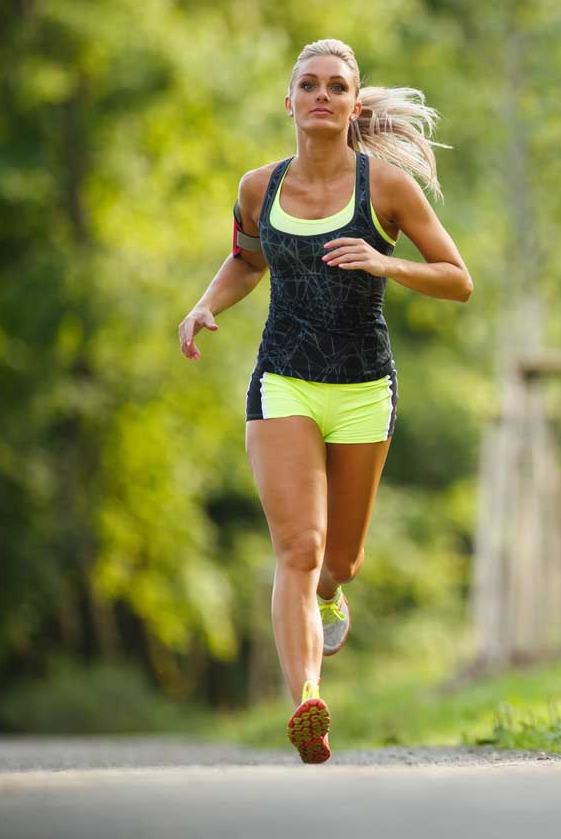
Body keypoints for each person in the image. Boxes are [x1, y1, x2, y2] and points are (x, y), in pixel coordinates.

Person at [177, 39, 472, 763]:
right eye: (307, 84)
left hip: (365, 386)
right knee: (297, 549)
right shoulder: (259, 188)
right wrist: (205, 304)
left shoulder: (388, 189)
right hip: (284, 379)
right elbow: (248, 259)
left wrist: (385, 261)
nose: (320, 95)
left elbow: (457, 278)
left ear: (354, 104)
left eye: (336, 86)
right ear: (289, 102)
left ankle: (334, 593)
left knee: (340, 558)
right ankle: (308, 700)